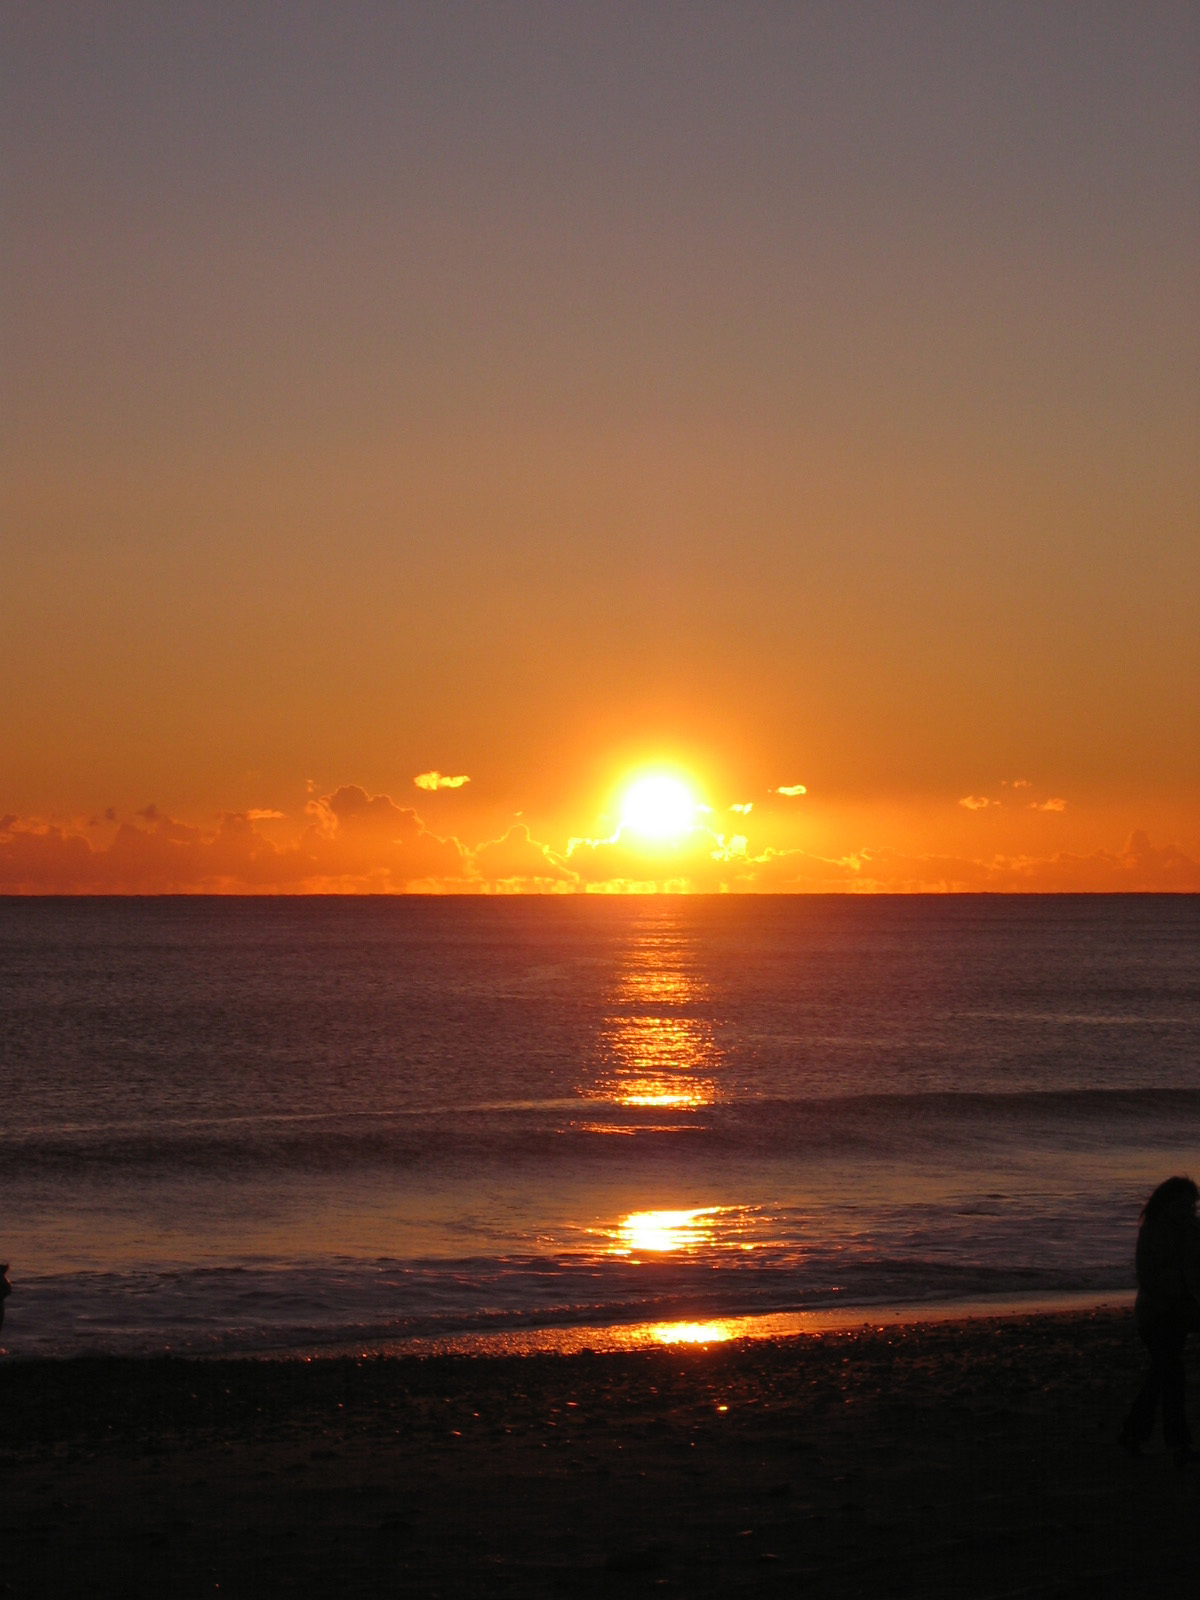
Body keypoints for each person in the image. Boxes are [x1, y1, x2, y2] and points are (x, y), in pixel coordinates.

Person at [1120, 1177, 1200, 1466]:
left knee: (1165, 1374)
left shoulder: (1191, 1229)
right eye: (1183, 1203)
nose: (1189, 1209)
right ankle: (1173, 1443)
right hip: (1156, 1314)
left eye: (1192, 1204)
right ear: (1167, 1202)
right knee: (1169, 1373)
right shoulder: (1154, 1230)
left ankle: (1139, 1434)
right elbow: (1149, 1277)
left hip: (1181, 1312)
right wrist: (1180, 1295)